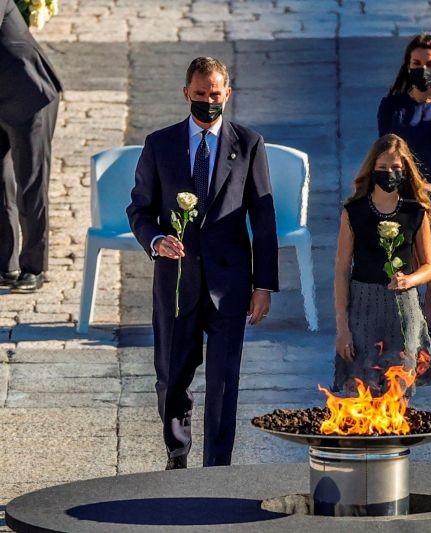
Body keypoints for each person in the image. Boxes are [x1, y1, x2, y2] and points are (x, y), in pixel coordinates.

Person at [127, 57, 279, 469]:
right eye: (200, 95)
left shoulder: (248, 144)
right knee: (172, 375)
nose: (208, 102)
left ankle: (217, 466)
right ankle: (177, 452)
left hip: (229, 283)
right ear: (186, 94)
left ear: (227, 94)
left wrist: (263, 285)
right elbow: (139, 209)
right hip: (176, 282)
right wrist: (157, 239)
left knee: (225, 380)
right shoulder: (160, 144)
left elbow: (263, 220)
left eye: (215, 94)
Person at [333, 134, 431, 396]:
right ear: (372, 170)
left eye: (395, 169)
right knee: (362, 388)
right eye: (382, 169)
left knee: (398, 390)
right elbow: (342, 268)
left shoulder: (415, 212)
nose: (389, 174)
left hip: (403, 306)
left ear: (405, 171)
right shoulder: (354, 212)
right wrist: (342, 328)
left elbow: (429, 266)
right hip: (363, 304)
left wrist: (409, 280)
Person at [377, 33, 431, 337]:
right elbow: (385, 153)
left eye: (429, 63)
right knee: (406, 220)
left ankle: (430, 303)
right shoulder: (391, 107)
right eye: (417, 63)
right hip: (399, 188)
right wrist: (409, 184)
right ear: (407, 66)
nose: (423, 69)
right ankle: (404, 303)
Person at [0, 0, 62, 292]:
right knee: (1, 183)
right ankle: (6, 263)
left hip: (30, 95)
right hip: (2, 101)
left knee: (31, 184)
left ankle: (34, 267)